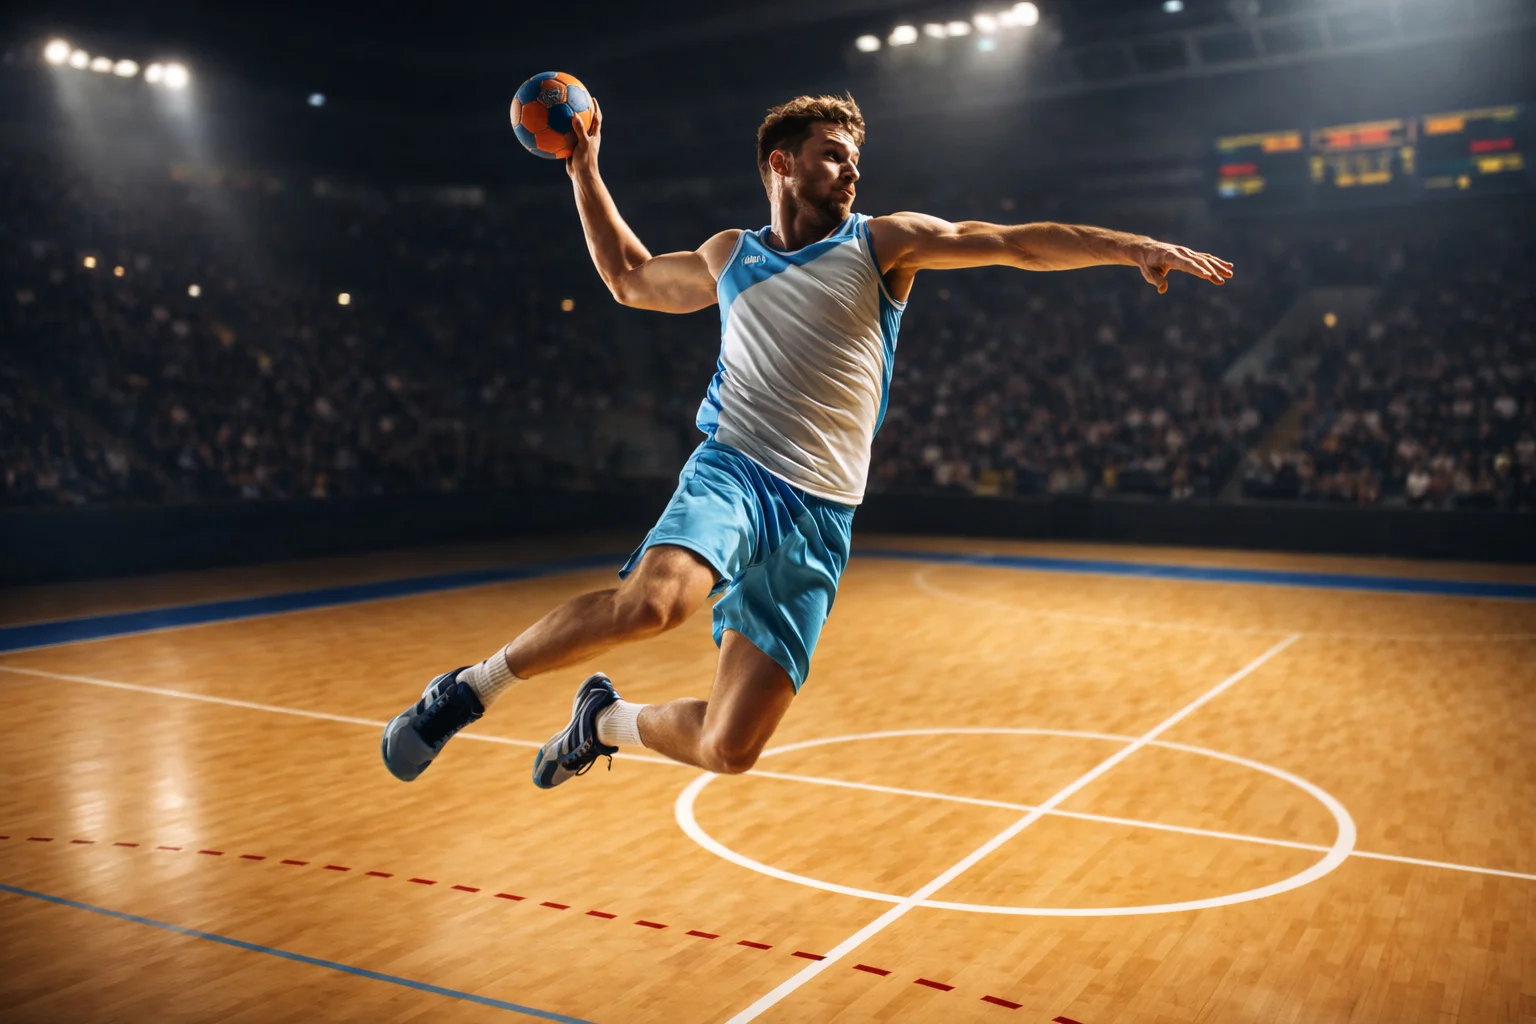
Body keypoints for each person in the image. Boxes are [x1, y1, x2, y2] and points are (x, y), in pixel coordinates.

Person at [380, 94, 1232, 788]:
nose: (851, 166)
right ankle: (467, 690)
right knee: (653, 604)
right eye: (833, 152)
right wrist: (584, 169)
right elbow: (631, 279)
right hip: (736, 469)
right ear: (781, 164)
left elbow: (1010, 245)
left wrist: (1132, 247)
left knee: (730, 749)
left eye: (855, 154)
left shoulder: (883, 244)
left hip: (822, 515)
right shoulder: (729, 254)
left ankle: (601, 722)